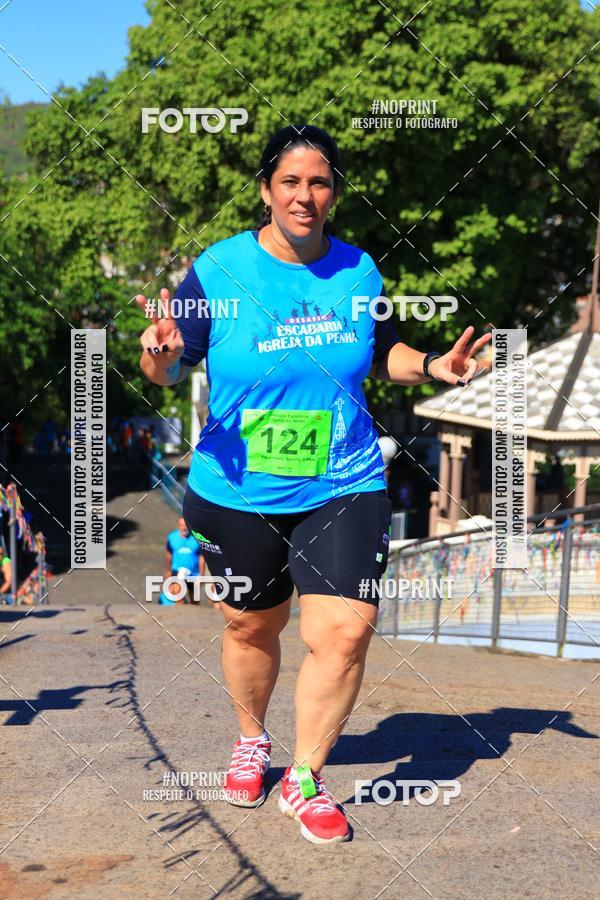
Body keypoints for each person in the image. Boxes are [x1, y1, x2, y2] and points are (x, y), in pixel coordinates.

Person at [136, 124, 491, 844]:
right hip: (238, 488)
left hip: (343, 479)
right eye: (290, 182)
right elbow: (168, 365)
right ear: (266, 191)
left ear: (334, 192)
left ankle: (304, 779)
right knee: (250, 625)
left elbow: (382, 351)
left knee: (346, 630)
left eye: (319, 182)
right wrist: (162, 357)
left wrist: (434, 366)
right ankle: (251, 738)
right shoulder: (219, 270)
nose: (305, 195)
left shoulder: (359, 271)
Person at [161, 516, 207, 605]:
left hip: (193, 572)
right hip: (177, 570)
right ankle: (181, 611)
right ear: (178, 525)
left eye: (185, 525)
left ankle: (192, 611)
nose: (184, 528)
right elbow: (169, 557)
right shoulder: (172, 537)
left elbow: (201, 558)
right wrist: (168, 574)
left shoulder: (196, 538)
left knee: (194, 600)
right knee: (177, 593)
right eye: (181, 525)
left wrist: (201, 576)